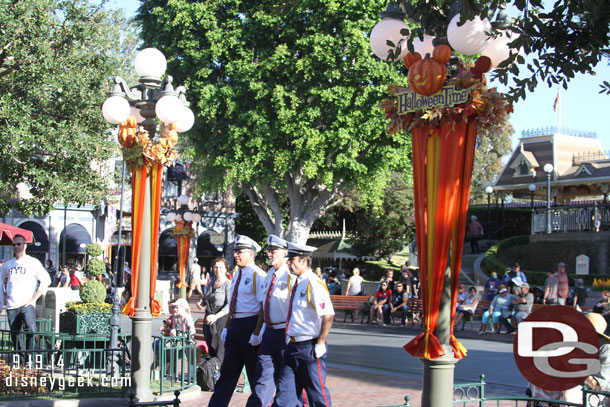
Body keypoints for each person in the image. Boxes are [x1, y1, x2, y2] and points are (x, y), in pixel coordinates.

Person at [208, 235, 266, 407]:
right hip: (234, 326)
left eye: (240, 252)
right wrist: (227, 326)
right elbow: (233, 304)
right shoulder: (237, 274)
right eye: (235, 251)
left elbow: (262, 306)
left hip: (249, 325)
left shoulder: (258, 275)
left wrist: (256, 332)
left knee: (254, 373)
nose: (235, 255)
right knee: (227, 372)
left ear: (251, 254)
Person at [276, 242, 334, 407]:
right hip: (292, 346)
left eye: (292, 259)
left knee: (317, 395)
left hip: (309, 347)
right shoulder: (298, 283)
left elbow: (328, 315)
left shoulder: (314, 284)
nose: (288, 262)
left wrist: (321, 342)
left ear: (303, 261)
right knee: (284, 396)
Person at [246, 235, 298, 407]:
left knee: (286, 378)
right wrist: (257, 331)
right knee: (263, 374)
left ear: (285, 253)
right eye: (269, 251)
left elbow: (295, 306)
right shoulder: (270, 274)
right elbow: (263, 303)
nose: (269, 254)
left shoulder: (291, 276)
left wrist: (292, 331)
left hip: (285, 332)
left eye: (273, 251)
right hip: (269, 332)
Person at [0, 234, 51, 354]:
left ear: (25, 245)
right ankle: (21, 361)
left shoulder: (33, 262)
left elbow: (46, 280)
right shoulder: (8, 264)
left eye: (19, 244)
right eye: (14, 244)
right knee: (15, 335)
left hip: (27, 303)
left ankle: (30, 359)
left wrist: (34, 298)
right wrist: (2, 300)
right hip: (12, 305)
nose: (16, 246)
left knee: (31, 330)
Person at [198, 257, 231, 361]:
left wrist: (216, 316)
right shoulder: (212, 283)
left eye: (221, 267)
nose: (218, 270)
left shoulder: (228, 284)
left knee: (220, 350)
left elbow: (230, 305)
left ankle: (220, 373)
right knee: (211, 349)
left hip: (221, 320)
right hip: (208, 320)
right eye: (215, 267)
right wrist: (201, 303)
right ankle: (212, 374)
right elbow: (205, 298)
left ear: (226, 269)